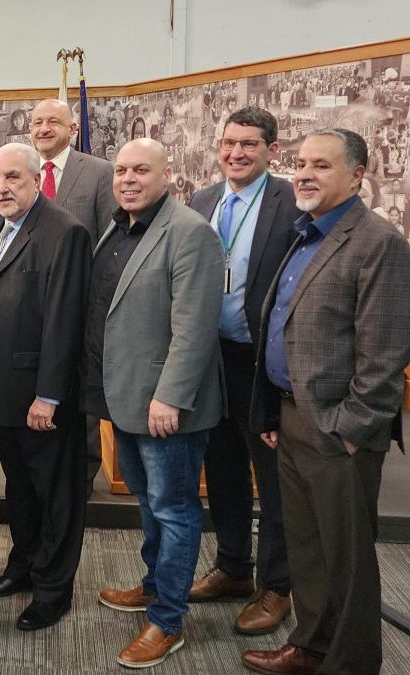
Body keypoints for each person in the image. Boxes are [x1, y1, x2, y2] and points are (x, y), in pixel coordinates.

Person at [244, 129, 410, 675]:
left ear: (359, 175)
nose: (306, 173)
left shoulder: (377, 243)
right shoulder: (306, 233)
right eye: (301, 163)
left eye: (322, 165)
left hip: (338, 433)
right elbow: (281, 328)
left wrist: (350, 430)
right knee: (308, 549)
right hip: (291, 421)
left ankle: (350, 663)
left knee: (347, 560)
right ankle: (310, 647)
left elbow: (384, 353)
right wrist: (272, 410)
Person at [89, 139, 224, 669]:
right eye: (120, 170)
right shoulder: (117, 227)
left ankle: (168, 620)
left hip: (166, 406)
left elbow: (194, 328)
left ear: (167, 175)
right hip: (125, 398)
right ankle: (153, 586)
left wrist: (170, 396)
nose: (127, 179)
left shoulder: (190, 233)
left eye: (140, 170)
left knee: (175, 509)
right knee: (149, 504)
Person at [0, 143, 91, 633]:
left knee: (56, 495)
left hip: (40, 398)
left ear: (38, 178)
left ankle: (54, 591)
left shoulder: (64, 231)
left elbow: (65, 320)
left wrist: (50, 395)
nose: (1, 188)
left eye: (13, 178)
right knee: (24, 492)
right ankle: (24, 567)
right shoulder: (2, 224)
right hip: (1, 391)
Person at [186, 107, 301, 636]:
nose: (236, 153)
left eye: (249, 144)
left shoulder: (291, 202)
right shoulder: (203, 201)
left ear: (271, 150)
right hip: (210, 359)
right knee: (224, 468)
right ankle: (233, 566)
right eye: (229, 143)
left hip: (262, 364)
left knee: (272, 476)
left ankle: (277, 585)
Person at [30, 98, 118, 495]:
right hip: (32, 309)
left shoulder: (98, 172)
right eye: (37, 122)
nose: (44, 128)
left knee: (78, 396)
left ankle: (81, 481)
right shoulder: (24, 172)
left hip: (82, 305)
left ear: (72, 129)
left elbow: (112, 240)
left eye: (54, 121)